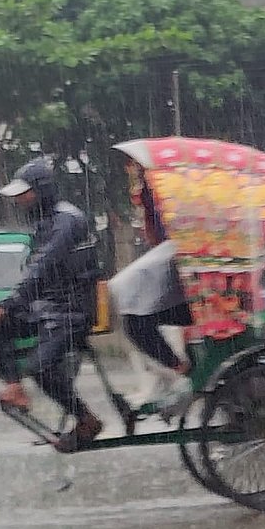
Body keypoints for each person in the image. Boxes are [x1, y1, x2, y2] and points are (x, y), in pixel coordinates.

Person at [0, 158, 103, 453]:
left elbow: (42, 268)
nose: (19, 201)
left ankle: (86, 420)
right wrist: (7, 307)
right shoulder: (45, 222)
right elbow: (34, 271)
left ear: (42, 191)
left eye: (25, 195)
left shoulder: (66, 221)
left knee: (40, 368)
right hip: (46, 307)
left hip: (72, 312)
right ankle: (14, 388)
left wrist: (9, 303)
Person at [109, 170, 195, 415]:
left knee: (138, 323)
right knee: (135, 322)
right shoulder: (156, 196)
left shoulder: (175, 195)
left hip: (192, 282)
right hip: (174, 276)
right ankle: (177, 372)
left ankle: (180, 371)